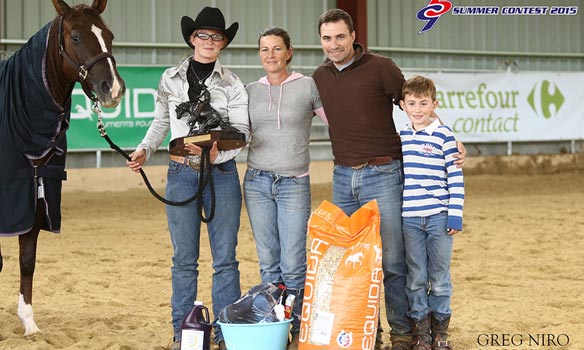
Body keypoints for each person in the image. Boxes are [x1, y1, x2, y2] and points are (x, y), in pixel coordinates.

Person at [312, 9, 465, 350]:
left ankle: (401, 332)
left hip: (383, 173)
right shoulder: (319, 76)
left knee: (394, 261)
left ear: (353, 36)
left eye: (340, 36)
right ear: (320, 40)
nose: (333, 44)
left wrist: (449, 135)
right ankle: (365, 332)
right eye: (326, 38)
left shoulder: (382, 68)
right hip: (342, 176)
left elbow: (415, 106)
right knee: (352, 261)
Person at [125, 7, 248, 350]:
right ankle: (184, 334)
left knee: (225, 258)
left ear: (223, 43)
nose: (209, 41)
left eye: (216, 36)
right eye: (203, 35)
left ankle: (224, 332)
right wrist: (145, 150)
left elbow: (242, 133)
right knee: (183, 259)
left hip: (221, 173)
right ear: (193, 39)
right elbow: (161, 121)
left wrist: (216, 155)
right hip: (180, 172)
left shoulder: (233, 83)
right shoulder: (170, 78)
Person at [244, 27, 327, 350]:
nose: (270, 55)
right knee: (268, 263)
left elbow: (340, 122)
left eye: (276, 49)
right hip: (257, 182)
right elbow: (238, 132)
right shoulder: (250, 90)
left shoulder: (307, 87)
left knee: (293, 262)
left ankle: (296, 327)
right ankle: (276, 325)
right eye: (264, 49)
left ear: (288, 52)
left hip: (294, 182)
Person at [399, 76, 464, 350]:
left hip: (439, 217)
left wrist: (455, 214)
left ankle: (440, 335)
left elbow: (456, 176)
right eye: (412, 103)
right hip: (410, 219)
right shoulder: (401, 137)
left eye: (424, 103)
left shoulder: (445, 136)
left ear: (434, 104)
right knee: (415, 278)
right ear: (402, 105)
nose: (417, 109)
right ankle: (421, 336)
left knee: (439, 278)